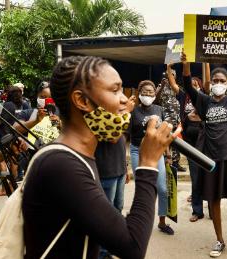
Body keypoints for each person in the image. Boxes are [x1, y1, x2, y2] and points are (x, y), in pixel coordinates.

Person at [22, 56, 179, 258]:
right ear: (82, 101)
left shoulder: (81, 155)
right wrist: (148, 164)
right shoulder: (61, 165)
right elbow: (133, 247)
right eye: (115, 90)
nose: (124, 99)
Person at [181, 48, 227, 259]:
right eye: (215, 79)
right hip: (209, 158)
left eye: (221, 80)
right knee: (213, 200)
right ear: (210, 82)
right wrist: (186, 64)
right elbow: (187, 85)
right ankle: (219, 240)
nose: (218, 82)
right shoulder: (204, 101)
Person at [129, 80, 174, 235]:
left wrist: (168, 154)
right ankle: (140, 220)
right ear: (139, 93)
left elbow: (164, 134)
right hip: (137, 152)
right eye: (145, 91)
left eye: (151, 92)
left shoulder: (159, 109)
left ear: (155, 94)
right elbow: (125, 135)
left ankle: (162, 222)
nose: (148, 94)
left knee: (161, 188)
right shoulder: (133, 112)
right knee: (143, 187)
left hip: (157, 152)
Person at [166, 64, 205, 222]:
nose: (194, 87)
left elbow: (208, 82)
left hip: (205, 142)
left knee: (207, 177)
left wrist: (206, 62)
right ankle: (197, 210)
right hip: (189, 142)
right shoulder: (183, 96)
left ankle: (212, 208)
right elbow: (172, 83)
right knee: (195, 177)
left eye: (197, 85)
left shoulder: (204, 99)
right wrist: (169, 68)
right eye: (192, 84)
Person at [156, 70, 186, 172]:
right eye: (169, 74)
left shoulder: (176, 87)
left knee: (176, 141)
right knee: (166, 140)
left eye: (173, 75)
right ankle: (166, 161)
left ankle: (176, 163)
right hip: (166, 118)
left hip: (176, 118)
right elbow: (155, 98)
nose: (170, 76)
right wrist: (162, 86)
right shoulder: (161, 85)